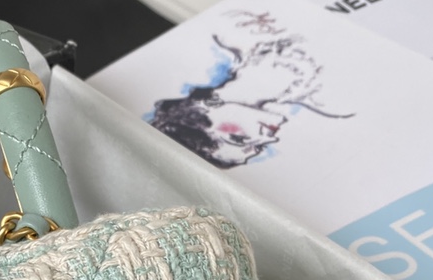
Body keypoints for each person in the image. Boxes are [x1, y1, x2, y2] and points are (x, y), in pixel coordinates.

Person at [148, 11, 353, 167]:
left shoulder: (231, 31)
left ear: (200, 109)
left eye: (239, 138)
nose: (270, 137)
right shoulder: (330, 104)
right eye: (259, 146)